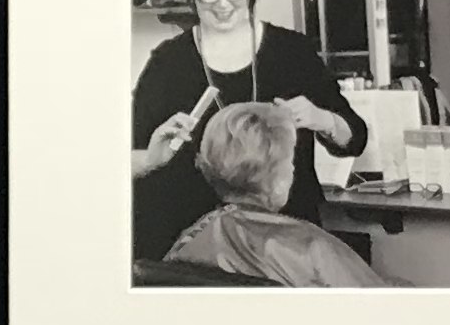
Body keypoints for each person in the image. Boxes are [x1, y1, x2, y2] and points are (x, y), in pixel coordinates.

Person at [128, 0, 368, 262]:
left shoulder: (293, 53)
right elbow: (122, 159)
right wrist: (151, 159)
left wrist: (323, 119)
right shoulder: (168, 63)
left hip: (282, 246)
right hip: (192, 249)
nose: (222, 3)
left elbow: (355, 138)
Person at [158, 101, 389, 287]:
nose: (293, 169)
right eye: (289, 161)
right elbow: (379, 312)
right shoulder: (312, 248)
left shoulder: (191, 239)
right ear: (278, 181)